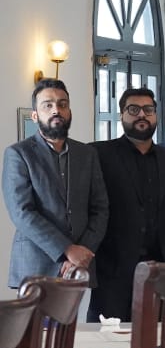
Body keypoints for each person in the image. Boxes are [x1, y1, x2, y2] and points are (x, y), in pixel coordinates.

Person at [90, 86, 165, 321]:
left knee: (158, 338)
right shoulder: (99, 154)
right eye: (133, 109)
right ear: (121, 115)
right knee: (107, 339)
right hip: (113, 271)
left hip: (162, 271)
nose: (142, 115)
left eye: (148, 109)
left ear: (156, 115)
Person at [3, 79, 108, 289]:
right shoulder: (19, 154)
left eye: (62, 104)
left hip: (79, 264)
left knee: (72, 314)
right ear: (35, 115)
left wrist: (82, 251)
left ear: (69, 111)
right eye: (47, 105)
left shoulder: (87, 154)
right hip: (36, 264)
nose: (56, 110)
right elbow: (22, 212)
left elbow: (100, 208)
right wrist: (66, 249)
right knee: (36, 314)